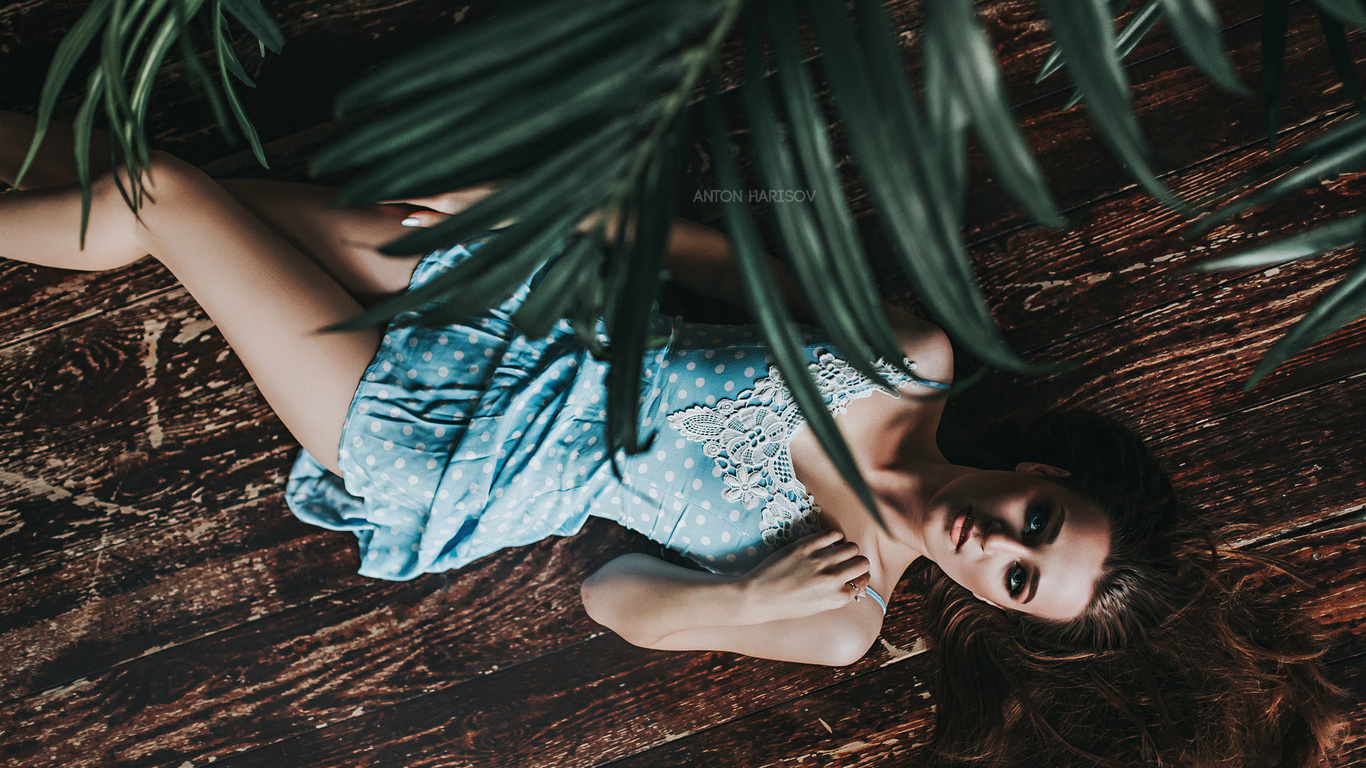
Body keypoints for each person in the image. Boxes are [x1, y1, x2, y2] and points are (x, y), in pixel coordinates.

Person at [0, 110, 1344, 767]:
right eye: (1035, 528)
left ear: (994, 611)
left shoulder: (838, 616)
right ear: (1044, 478)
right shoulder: (910, 355)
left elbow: (612, 599)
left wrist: (743, 595)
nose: (993, 543)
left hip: (451, 445)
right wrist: (534, 217)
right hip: (505, 294)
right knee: (160, 203)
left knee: (156, 192)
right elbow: (712, 254)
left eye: (1013, 580)